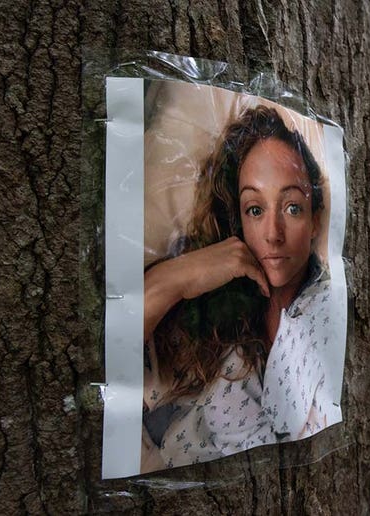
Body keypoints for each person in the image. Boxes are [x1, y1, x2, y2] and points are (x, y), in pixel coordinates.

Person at [140, 104, 338, 473]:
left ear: (315, 220)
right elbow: (106, 355)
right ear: (236, 218)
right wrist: (177, 278)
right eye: (255, 210)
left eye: (292, 207)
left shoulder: (321, 310)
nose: (273, 235)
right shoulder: (214, 305)